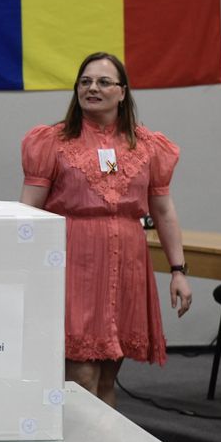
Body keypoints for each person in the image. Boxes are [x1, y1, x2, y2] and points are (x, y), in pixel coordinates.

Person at [19, 52, 192, 407]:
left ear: (123, 92)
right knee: (81, 377)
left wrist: (178, 270)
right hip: (72, 264)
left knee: (108, 378)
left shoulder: (147, 146)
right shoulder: (51, 142)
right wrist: (25, 269)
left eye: (102, 82)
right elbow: (27, 212)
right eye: (85, 82)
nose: (92, 88)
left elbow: (163, 210)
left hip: (127, 263)